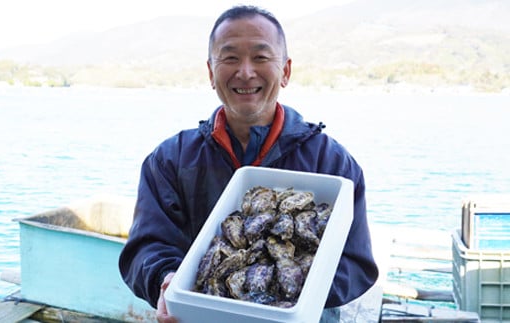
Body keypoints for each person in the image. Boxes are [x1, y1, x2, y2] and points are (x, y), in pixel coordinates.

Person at [119, 5, 378, 323]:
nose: (245, 72)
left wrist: (290, 294)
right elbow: (145, 249)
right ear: (211, 72)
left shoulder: (331, 163)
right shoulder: (171, 160)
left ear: (285, 70)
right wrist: (167, 279)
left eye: (260, 57)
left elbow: (356, 264)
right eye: (229, 58)